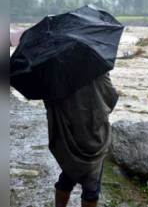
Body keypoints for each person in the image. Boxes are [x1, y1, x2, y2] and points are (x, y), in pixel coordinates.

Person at [43, 73, 119, 207]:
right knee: (91, 187)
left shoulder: (57, 69)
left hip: (69, 134)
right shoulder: (97, 66)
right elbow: (111, 96)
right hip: (94, 134)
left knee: (68, 173)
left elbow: (49, 101)